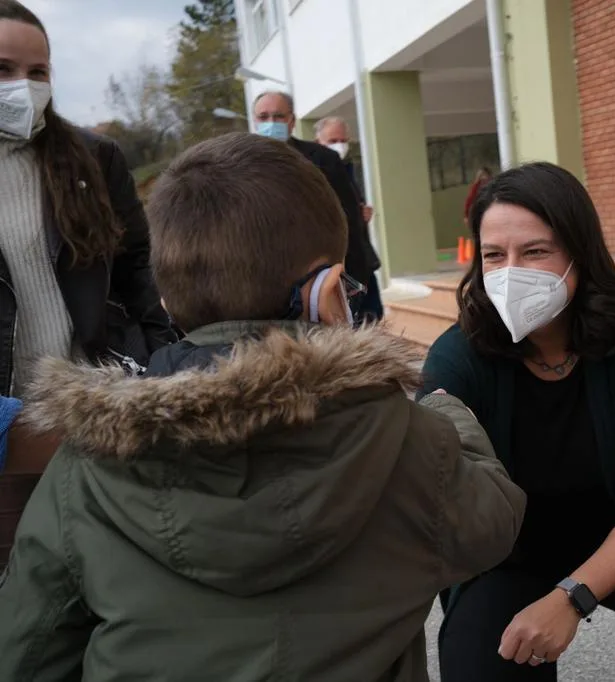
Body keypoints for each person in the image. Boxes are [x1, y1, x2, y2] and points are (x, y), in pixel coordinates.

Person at [0, 133, 527, 682]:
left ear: (167, 301)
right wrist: (451, 417)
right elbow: (493, 525)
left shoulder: (87, 464)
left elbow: (27, 654)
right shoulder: (412, 442)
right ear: (327, 295)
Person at [420, 162, 615, 681]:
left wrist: (571, 597)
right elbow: (440, 506)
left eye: (535, 251)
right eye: (493, 255)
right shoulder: (458, 357)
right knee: (479, 661)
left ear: (578, 251)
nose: (510, 273)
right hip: (509, 552)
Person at [0, 0, 175, 570]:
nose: (23, 87)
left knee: (107, 585)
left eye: (37, 72)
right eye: (3, 69)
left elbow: (138, 272)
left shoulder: (96, 159)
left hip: (94, 417)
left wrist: (152, 365)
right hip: (4, 433)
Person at [253, 92, 382, 323]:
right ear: (255, 120)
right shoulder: (242, 164)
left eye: (278, 116)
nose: (270, 123)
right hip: (266, 284)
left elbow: (348, 221)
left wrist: (353, 279)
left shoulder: (324, 160)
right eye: (263, 117)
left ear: (292, 120)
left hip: (320, 279)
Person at [315, 114, 384, 321]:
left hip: (361, 257)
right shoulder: (316, 172)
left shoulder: (346, 170)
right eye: (333, 141)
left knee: (372, 315)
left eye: (343, 141)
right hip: (338, 264)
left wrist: (360, 213)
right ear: (319, 142)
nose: (340, 146)